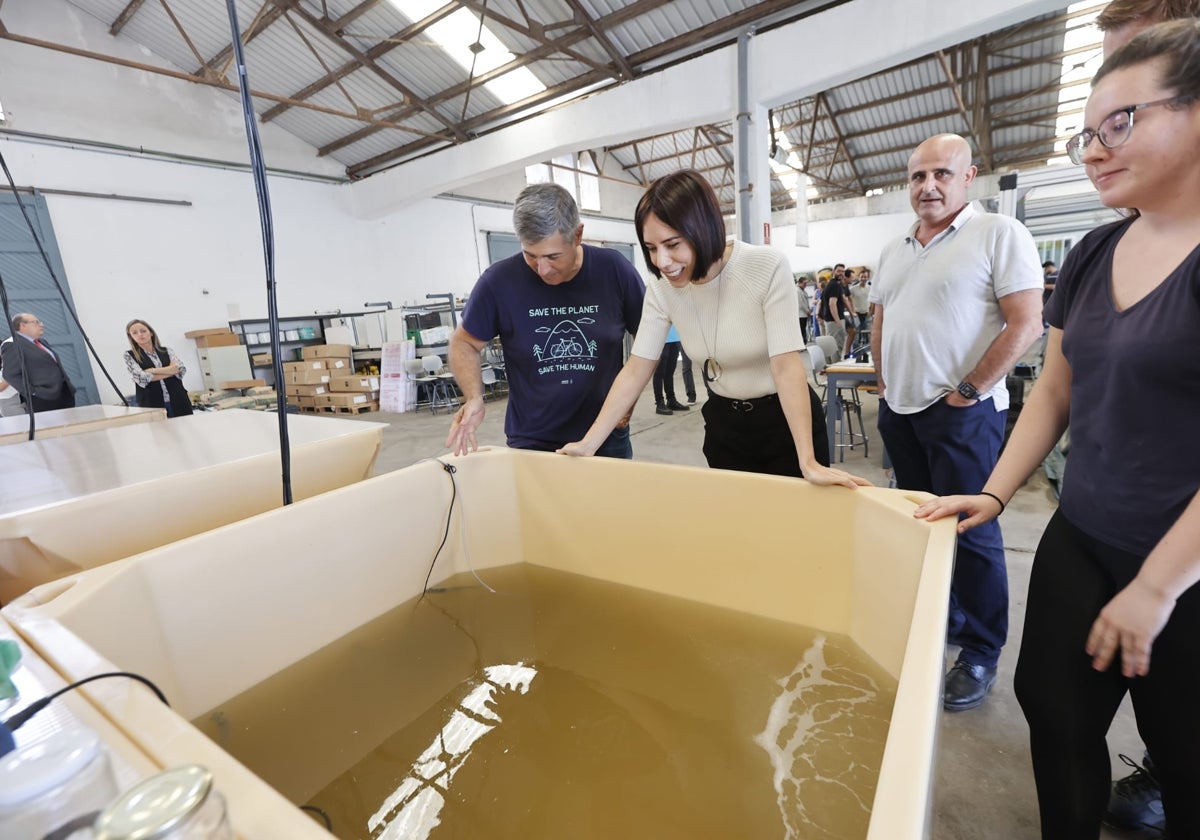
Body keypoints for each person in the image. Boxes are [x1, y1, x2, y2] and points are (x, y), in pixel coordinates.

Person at [914, 21, 1200, 838]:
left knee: (1185, 754)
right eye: (1087, 133)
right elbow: (1053, 396)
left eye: (1123, 123)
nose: (1095, 149)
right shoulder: (1093, 252)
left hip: (1186, 566)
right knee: (1058, 719)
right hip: (1082, 535)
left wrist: (1157, 588)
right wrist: (995, 493)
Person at [869, 134, 1044, 712]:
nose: (928, 186)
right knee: (923, 522)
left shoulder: (998, 234)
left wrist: (969, 391)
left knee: (973, 531)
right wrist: (884, 382)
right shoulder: (894, 248)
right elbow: (883, 318)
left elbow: (1025, 324)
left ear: (969, 177)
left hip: (961, 416)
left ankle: (979, 649)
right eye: (918, 177)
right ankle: (948, 614)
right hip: (901, 411)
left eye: (942, 174)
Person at [559, 169, 867, 490]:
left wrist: (807, 460)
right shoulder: (662, 286)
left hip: (784, 421)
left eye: (672, 244)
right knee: (737, 533)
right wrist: (589, 442)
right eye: (651, 248)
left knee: (793, 533)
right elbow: (637, 367)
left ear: (702, 228)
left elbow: (786, 366)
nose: (662, 261)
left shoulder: (765, 265)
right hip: (725, 422)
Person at [445, 183, 644, 457]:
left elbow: (649, 338)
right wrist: (474, 397)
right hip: (532, 441)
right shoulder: (498, 282)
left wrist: (628, 401)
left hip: (605, 436)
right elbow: (464, 343)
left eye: (553, 256)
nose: (543, 269)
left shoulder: (615, 270)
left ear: (578, 235)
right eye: (530, 256)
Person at [0, 313, 76, 413]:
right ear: (23, 325)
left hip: (64, 395)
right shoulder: (13, 344)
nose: (41, 324)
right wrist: (33, 392)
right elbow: (10, 375)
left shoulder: (42, 342)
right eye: (36, 322)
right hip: (43, 400)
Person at [123, 319, 193, 417]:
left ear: (151, 332)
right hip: (152, 404)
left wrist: (152, 371)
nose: (140, 334)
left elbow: (180, 369)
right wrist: (170, 370)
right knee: (160, 432)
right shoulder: (129, 355)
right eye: (135, 333)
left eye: (143, 331)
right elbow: (142, 378)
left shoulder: (167, 350)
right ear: (131, 337)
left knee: (185, 430)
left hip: (179, 400)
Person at [653, 325, 689, 415]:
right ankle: (659, 402)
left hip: (675, 336)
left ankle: (671, 400)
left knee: (670, 371)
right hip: (661, 337)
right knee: (659, 372)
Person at [818, 268, 849, 360]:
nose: (841, 273)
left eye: (843, 271)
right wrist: (837, 320)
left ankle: (832, 366)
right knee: (837, 345)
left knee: (831, 345)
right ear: (833, 272)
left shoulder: (830, 285)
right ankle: (837, 368)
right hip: (834, 320)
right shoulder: (834, 285)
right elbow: (832, 304)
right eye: (839, 271)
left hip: (829, 320)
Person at [795, 275, 813, 343]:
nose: (805, 285)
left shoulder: (803, 291)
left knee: (803, 329)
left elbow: (806, 302)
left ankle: (804, 343)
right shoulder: (798, 291)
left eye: (806, 283)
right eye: (804, 283)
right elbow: (801, 304)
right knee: (801, 330)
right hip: (801, 314)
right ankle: (801, 344)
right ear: (799, 283)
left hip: (804, 313)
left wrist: (809, 310)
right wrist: (808, 311)